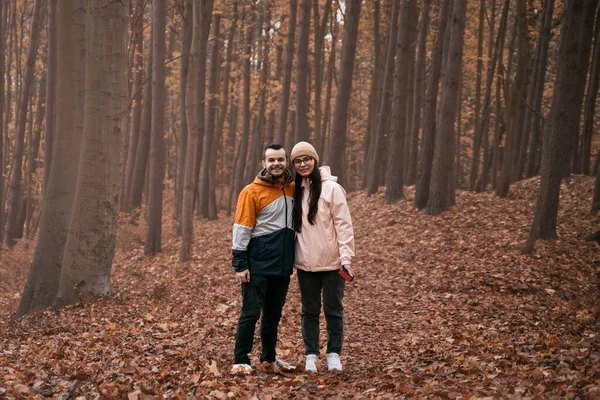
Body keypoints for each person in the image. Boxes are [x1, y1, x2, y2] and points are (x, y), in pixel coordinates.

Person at [231, 143, 297, 375]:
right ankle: (241, 360)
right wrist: (240, 263)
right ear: (264, 164)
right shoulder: (251, 191)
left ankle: (269, 358)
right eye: (271, 160)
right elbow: (241, 228)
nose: (276, 163)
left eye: (280, 159)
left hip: (282, 266)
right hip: (257, 265)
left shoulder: (292, 188)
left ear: (286, 161)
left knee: (273, 315)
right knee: (250, 312)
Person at [290, 141, 355, 373]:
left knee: (333, 308)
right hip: (306, 264)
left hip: (333, 262)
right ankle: (311, 355)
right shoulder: (294, 189)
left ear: (315, 160)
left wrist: (346, 258)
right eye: (297, 161)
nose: (303, 164)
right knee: (309, 310)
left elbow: (344, 226)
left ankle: (334, 354)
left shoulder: (332, 189)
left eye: (306, 159)